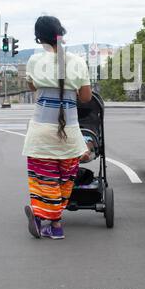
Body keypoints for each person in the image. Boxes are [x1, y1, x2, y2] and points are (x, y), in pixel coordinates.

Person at [23, 16, 92, 240]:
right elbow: (86, 97)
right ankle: (54, 223)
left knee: (43, 180)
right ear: (61, 33)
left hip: (41, 133)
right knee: (64, 181)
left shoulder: (35, 60)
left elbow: (32, 85)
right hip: (71, 135)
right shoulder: (79, 62)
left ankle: (46, 217)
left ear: (38, 38)